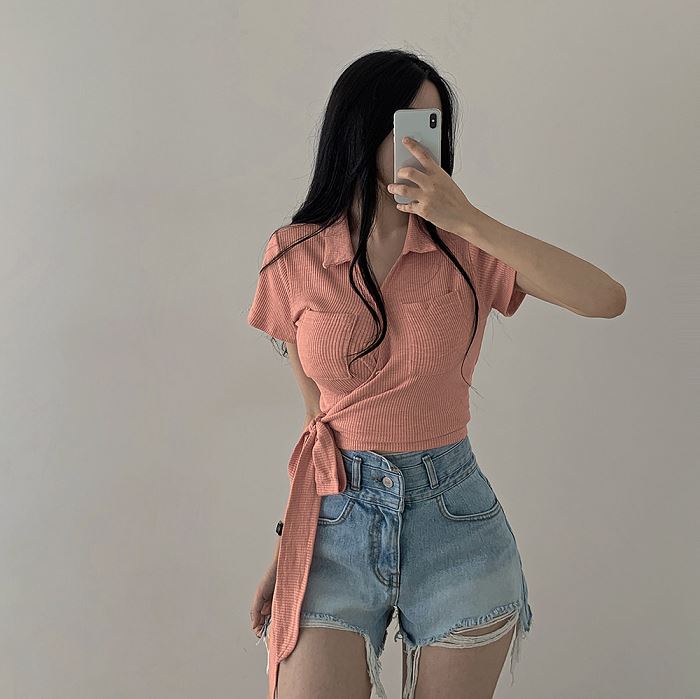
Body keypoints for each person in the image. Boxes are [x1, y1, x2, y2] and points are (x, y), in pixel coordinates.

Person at [246, 49, 626, 699]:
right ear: (360, 128)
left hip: (455, 523)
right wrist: (288, 547)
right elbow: (317, 422)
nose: (423, 143)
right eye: (407, 123)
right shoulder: (294, 253)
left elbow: (606, 298)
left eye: (434, 125)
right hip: (333, 526)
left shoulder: (468, 248)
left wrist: (466, 218)